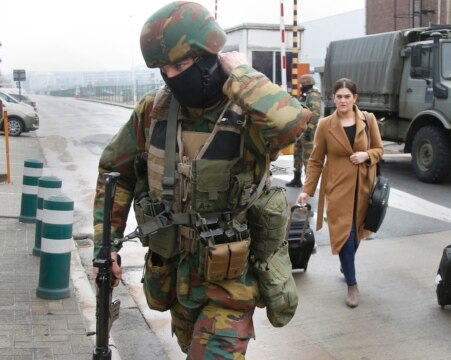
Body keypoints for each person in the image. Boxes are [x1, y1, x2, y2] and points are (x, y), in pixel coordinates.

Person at [91, 1, 310, 358]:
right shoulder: (153, 110)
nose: (173, 76)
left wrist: (242, 75)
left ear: (210, 56)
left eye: (182, 64)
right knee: (188, 348)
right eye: (164, 68)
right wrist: (108, 245)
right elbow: (116, 173)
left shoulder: (248, 109)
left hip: (231, 279)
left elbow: (293, 123)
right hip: (175, 275)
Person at [296, 78, 384, 308]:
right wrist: (308, 190)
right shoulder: (326, 125)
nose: (343, 100)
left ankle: (347, 265)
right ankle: (352, 285)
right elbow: (315, 160)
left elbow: (379, 149)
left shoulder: (368, 119)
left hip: (364, 187)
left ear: (355, 98)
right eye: (339, 96)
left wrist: (367, 156)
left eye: (347, 96)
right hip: (337, 188)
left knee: (356, 234)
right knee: (345, 234)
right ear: (333, 98)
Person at [285, 73, 322, 187]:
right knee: (297, 155)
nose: (301, 86)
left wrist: (310, 130)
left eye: (302, 84)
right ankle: (297, 179)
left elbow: (315, 114)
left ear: (307, 85)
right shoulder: (305, 95)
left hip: (308, 133)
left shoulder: (313, 95)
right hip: (300, 132)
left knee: (308, 158)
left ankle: (309, 184)